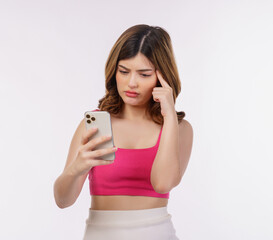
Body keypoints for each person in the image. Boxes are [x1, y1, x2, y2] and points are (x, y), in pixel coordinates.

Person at [53, 24, 193, 240]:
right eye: (124, 71)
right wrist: (76, 169)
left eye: (144, 74)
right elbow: (62, 200)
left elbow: (163, 183)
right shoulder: (94, 124)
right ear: (113, 71)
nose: (132, 83)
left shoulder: (179, 129)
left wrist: (170, 118)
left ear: (162, 77)